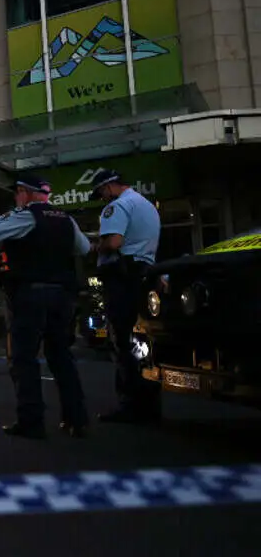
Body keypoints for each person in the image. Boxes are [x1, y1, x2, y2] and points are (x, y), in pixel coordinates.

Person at [0, 175, 91, 438]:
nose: (17, 198)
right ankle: (76, 418)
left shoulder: (27, 217)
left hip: (31, 295)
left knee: (24, 358)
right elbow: (84, 248)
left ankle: (31, 420)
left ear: (25, 193)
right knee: (61, 357)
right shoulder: (66, 219)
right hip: (62, 297)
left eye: (17, 194)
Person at [90, 169, 162, 424]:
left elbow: (114, 242)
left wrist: (97, 245)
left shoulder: (117, 207)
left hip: (122, 277)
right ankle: (150, 403)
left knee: (120, 340)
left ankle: (130, 403)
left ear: (108, 187)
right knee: (143, 341)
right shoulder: (145, 205)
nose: (102, 199)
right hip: (144, 274)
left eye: (101, 193)